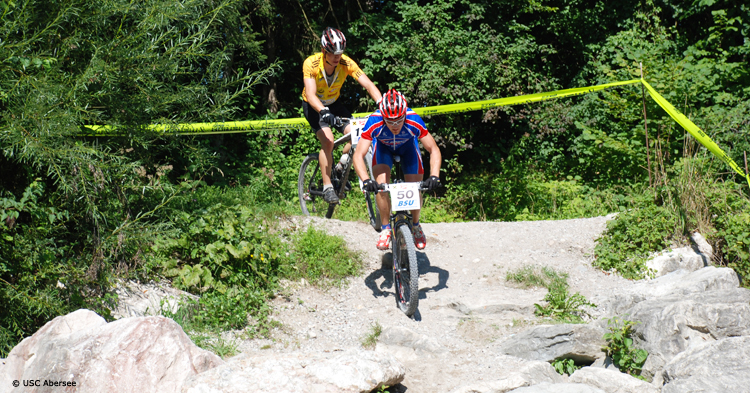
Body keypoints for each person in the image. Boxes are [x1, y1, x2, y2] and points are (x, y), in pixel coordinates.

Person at [352, 89, 442, 250]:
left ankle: (415, 225)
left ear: (405, 115)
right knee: (381, 187)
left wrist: (434, 175)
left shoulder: (413, 119)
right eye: (389, 120)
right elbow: (359, 154)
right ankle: (386, 229)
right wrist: (366, 180)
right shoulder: (375, 121)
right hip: (383, 150)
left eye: (399, 120)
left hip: (408, 150)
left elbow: (433, 149)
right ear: (383, 116)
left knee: (416, 187)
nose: (394, 125)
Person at [302, 27, 382, 204]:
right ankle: (327, 185)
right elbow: (310, 94)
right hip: (313, 106)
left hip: (334, 104)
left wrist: (382, 104)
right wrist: (323, 112)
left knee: (358, 134)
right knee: (328, 141)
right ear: (324, 51)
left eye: (340, 52)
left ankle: (340, 165)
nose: (337, 57)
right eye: (333, 53)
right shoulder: (311, 63)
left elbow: (367, 84)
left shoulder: (346, 63)